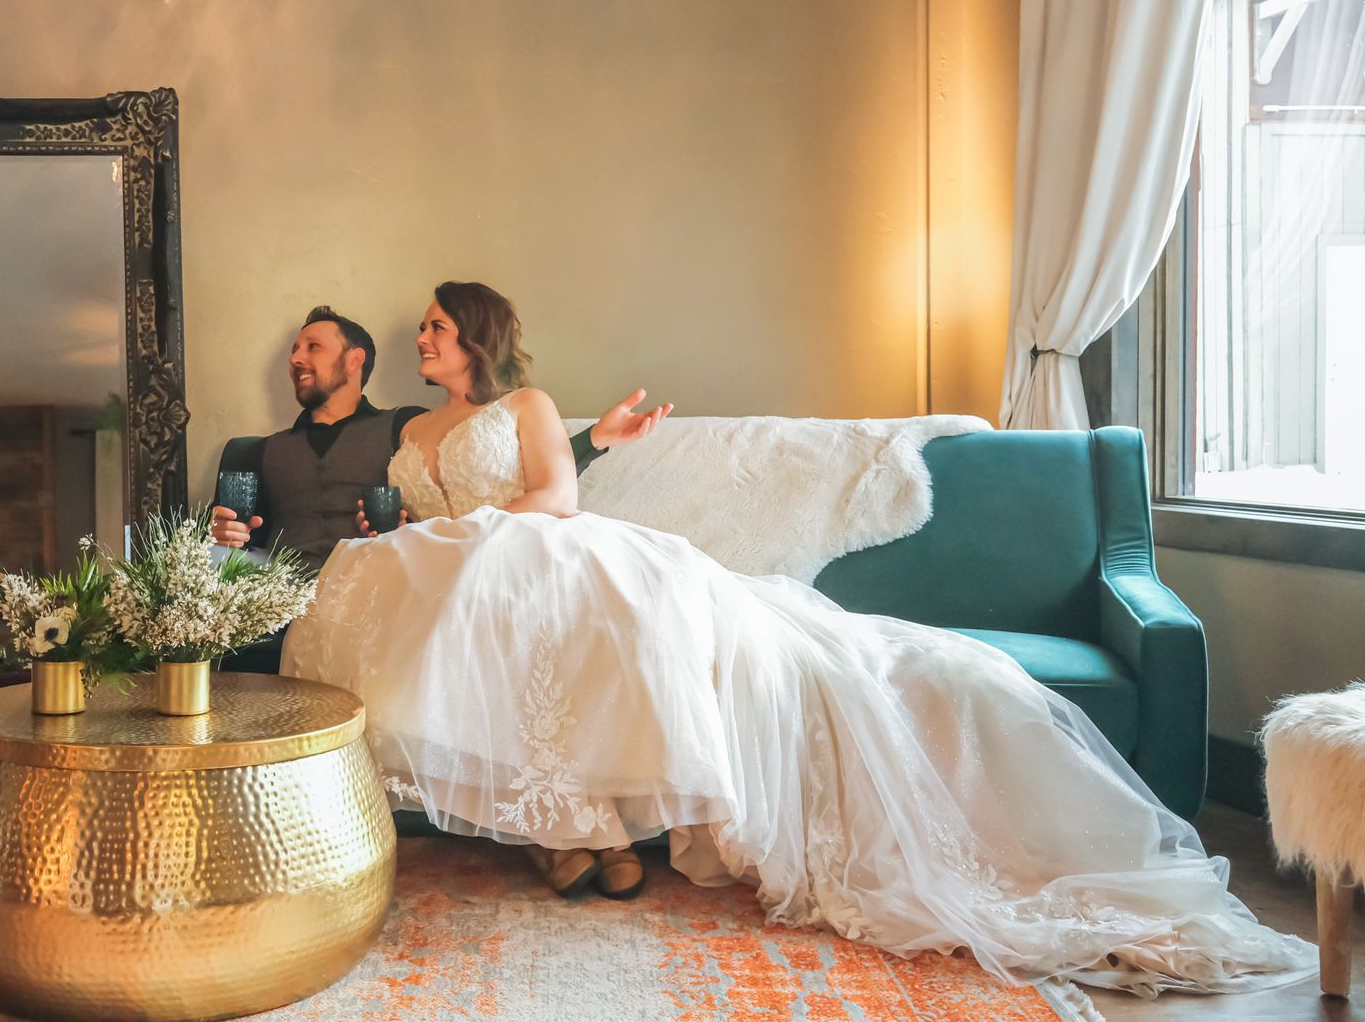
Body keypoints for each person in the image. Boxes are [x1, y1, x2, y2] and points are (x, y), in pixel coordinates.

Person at [282, 281, 1317, 997]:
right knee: (419, 597)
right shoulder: (409, 435)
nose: (419, 340)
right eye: (416, 329)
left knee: (556, 607)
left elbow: (550, 495)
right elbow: (417, 519)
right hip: (472, 561)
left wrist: (480, 530)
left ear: (471, 335)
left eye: (432, 327)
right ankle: (580, 833)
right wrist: (411, 538)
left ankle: (587, 832)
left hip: (533, 545)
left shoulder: (532, 404)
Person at [210, 304, 670, 674]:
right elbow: (240, 535)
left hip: (374, 585)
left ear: (354, 360)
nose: (296, 359)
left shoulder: (404, 427)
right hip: (282, 594)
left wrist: (592, 440)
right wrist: (223, 536)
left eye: (312, 346)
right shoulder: (263, 451)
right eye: (295, 349)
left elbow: (495, 462)